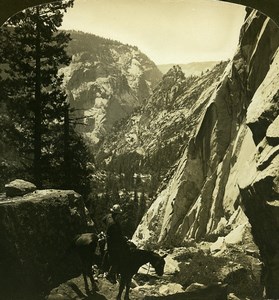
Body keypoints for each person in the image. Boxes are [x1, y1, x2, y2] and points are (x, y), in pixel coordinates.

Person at [102, 204, 129, 283]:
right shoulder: (114, 224)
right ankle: (110, 274)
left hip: (109, 237)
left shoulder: (108, 216)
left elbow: (103, 220)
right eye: (119, 214)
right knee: (117, 258)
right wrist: (124, 239)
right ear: (117, 214)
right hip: (112, 242)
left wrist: (105, 230)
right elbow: (118, 236)